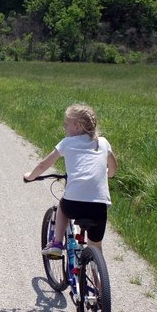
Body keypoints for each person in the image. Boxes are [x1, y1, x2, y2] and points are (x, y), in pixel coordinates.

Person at [23, 104, 117, 256]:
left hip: (74, 205)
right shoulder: (103, 143)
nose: (64, 128)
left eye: (66, 124)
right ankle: (99, 278)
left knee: (62, 205)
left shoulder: (67, 142)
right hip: (99, 207)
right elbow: (113, 167)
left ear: (78, 126)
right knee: (96, 247)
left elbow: (43, 165)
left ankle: (57, 243)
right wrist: (109, 173)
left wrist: (30, 176)